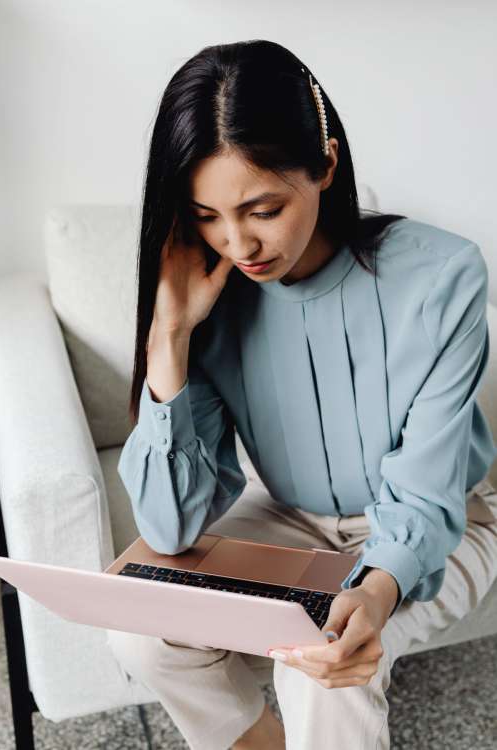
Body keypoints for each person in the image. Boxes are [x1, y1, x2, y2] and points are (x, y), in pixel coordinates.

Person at [105, 39, 497, 750]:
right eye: (206, 216)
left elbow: (426, 489)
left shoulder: (444, 276)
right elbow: (169, 529)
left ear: (326, 166)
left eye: (262, 208)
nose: (238, 244)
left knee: (321, 667)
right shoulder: (213, 294)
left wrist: (374, 593)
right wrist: (169, 337)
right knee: (139, 625)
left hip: (443, 524)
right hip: (290, 519)